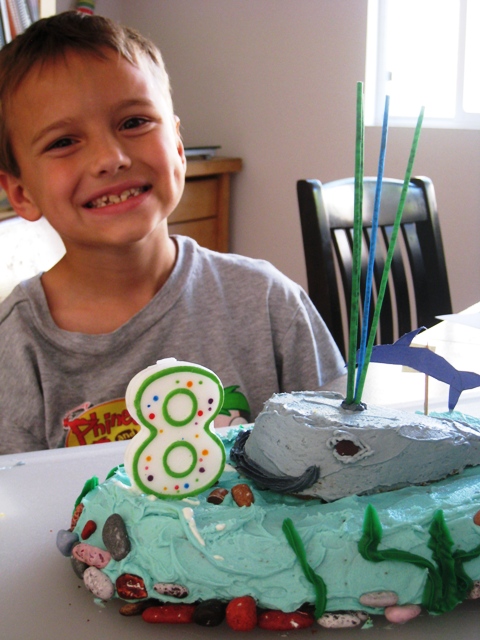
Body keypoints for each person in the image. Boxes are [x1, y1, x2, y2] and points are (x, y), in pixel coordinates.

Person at [0, 11, 344, 454]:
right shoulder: (16, 347)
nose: (111, 158)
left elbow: (338, 453)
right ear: (22, 193)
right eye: (63, 142)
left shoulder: (268, 302)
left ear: (179, 148)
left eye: (133, 122)